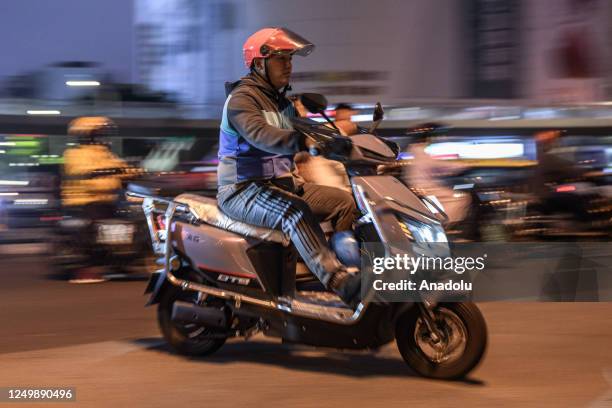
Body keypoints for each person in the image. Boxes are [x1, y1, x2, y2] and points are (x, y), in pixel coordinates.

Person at [215, 27, 360, 306]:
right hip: (243, 189)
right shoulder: (241, 100)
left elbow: (312, 131)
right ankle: (338, 281)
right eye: (282, 59)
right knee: (296, 212)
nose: (289, 66)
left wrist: (351, 139)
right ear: (260, 63)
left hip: (284, 184)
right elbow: (262, 135)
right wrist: (303, 141)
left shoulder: (283, 103)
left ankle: (352, 265)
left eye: (291, 59)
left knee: (346, 202)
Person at [62, 116, 134, 283]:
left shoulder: (107, 154)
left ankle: (122, 260)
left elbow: (123, 168)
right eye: (99, 132)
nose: (103, 136)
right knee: (97, 226)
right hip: (84, 202)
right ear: (87, 134)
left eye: (104, 133)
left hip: (109, 201)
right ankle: (88, 265)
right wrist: (105, 172)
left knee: (133, 222)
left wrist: (137, 171)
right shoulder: (74, 154)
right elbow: (82, 171)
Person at [402, 123, 473, 232]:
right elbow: (439, 166)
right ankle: (446, 225)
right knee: (461, 197)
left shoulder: (413, 150)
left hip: (420, 187)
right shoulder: (420, 151)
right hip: (425, 189)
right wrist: (463, 165)